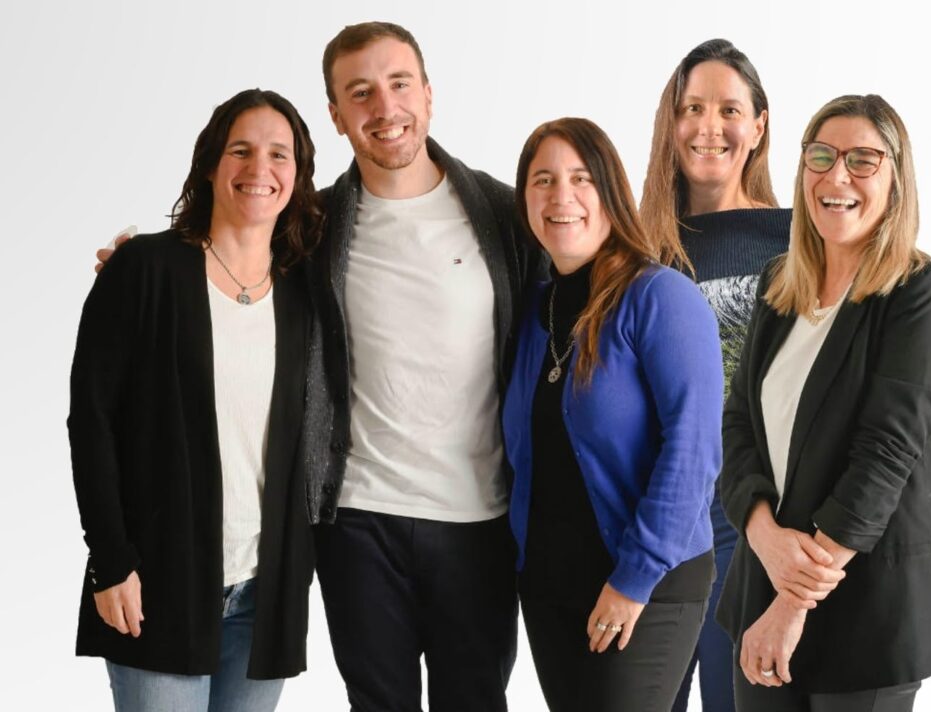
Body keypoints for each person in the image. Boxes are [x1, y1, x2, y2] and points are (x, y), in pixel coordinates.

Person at [304, 22, 544, 711]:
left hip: (479, 519)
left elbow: (582, 286)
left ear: (429, 96)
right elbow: (236, 255)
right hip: (358, 521)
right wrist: (147, 266)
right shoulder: (315, 226)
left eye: (399, 83)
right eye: (361, 93)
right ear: (338, 116)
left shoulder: (502, 213)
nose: (385, 108)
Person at [69, 88, 321, 712]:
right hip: (156, 583)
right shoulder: (144, 271)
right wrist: (110, 560)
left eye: (278, 154)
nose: (259, 169)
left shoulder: (303, 298)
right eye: (240, 150)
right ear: (211, 164)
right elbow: (92, 422)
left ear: (298, 175)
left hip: (267, 597)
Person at [715, 94, 931, 712]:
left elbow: (884, 458)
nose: (837, 177)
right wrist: (764, 537)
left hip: (865, 613)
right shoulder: (778, 286)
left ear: (896, 179)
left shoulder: (921, 297)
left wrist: (792, 602)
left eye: (863, 160)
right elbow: (737, 424)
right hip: (761, 588)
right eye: (820, 157)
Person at [503, 116, 724, 711]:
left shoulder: (660, 297)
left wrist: (632, 581)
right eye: (542, 180)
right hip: (550, 589)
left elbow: (694, 451)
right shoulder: (532, 313)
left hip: (649, 584)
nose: (561, 197)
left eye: (580, 178)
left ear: (611, 193)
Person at [640, 38, 791, 712]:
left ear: (758, 125)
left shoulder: (799, 239)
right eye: (692, 107)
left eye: (730, 109)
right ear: (670, 125)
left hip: (758, 526)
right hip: (654, 528)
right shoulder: (634, 248)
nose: (710, 126)